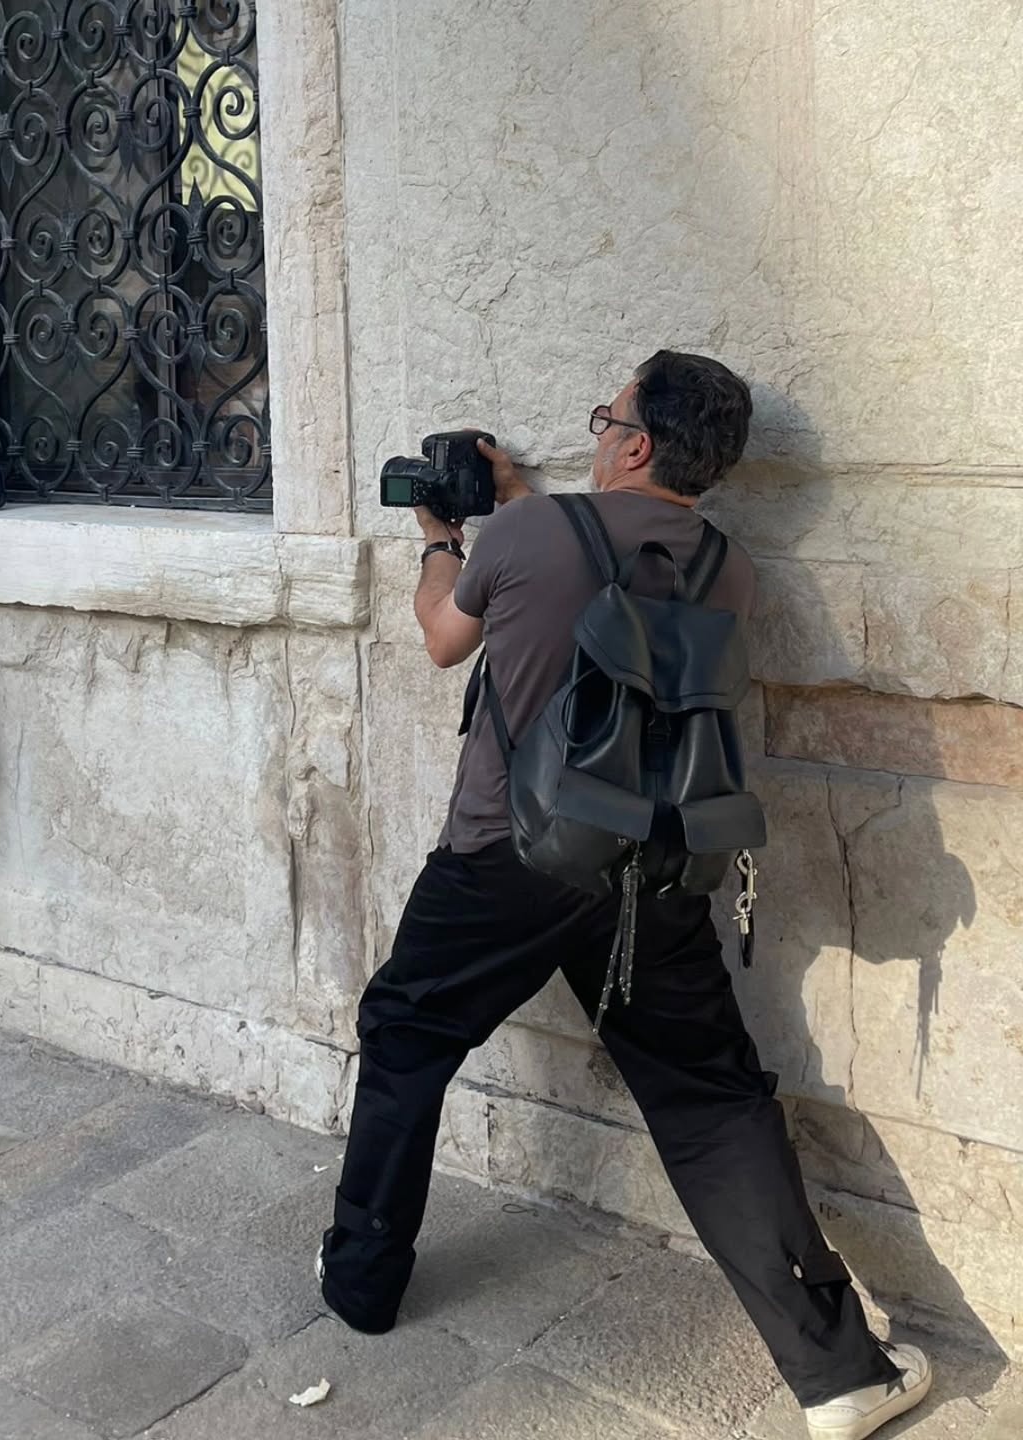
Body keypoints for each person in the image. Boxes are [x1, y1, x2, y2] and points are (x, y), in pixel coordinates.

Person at [319, 351, 932, 1440]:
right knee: (711, 1101)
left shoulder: (519, 538)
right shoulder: (730, 568)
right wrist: (526, 500)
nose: (598, 432)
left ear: (638, 443)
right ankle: (840, 1374)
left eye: (608, 419)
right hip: (648, 870)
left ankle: (362, 1280)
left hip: (504, 860)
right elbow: (610, 576)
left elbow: (445, 638)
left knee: (405, 1038)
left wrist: (443, 538)